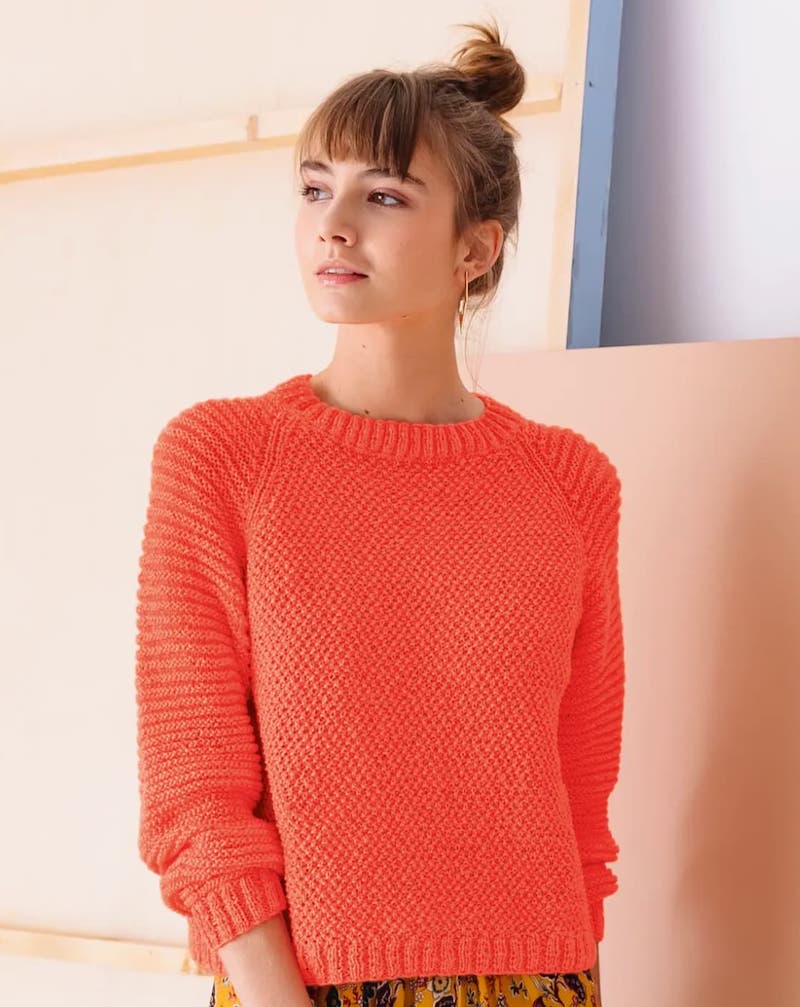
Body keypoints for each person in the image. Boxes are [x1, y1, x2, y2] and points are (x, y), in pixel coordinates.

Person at [134, 16, 625, 1007]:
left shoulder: (568, 481)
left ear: (475, 248)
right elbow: (195, 791)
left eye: (385, 195)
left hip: (535, 979)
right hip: (301, 984)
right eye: (316, 188)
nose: (333, 223)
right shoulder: (222, 457)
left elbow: (577, 795)